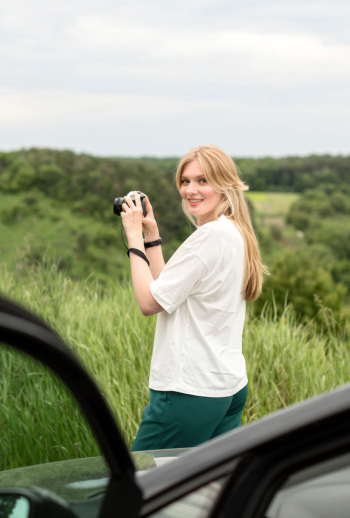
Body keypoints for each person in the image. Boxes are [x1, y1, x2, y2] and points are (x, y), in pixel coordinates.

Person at [119, 144, 266, 451]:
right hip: (226, 387)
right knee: (203, 489)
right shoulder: (231, 232)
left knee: (140, 485)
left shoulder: (209, 237)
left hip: (189, 391)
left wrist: (133, 239)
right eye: (185, 182)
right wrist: (151, 234)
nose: (191, 190)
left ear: (225, 185)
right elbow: (166, 290)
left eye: (203, 180)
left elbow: (148, 303)